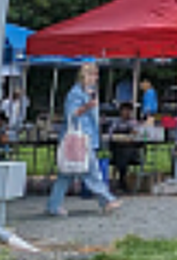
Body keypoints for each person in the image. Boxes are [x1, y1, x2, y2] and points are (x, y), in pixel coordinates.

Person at [48, 62, 122, 217]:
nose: (95, 78)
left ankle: (54, 205)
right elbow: (72, 114)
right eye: (92, 74)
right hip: (78, 138)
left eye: (96, 75)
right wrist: (87, 106)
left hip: (86, 137)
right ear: (84, 76)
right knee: (91, 170)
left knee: (66, 173)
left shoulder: (90, 92)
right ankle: (106, 199)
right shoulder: (76, 93)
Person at [107, 102, 143, 193]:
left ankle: (121, 180)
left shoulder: (134, 122)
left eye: (128, 110)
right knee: (119, 153)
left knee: (125, 154)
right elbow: (110, 134)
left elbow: (138, 136)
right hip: (118, 149)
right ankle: (122, 181)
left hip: (131, 151)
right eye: (124, 110)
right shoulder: (116, 122)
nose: (126, 112)